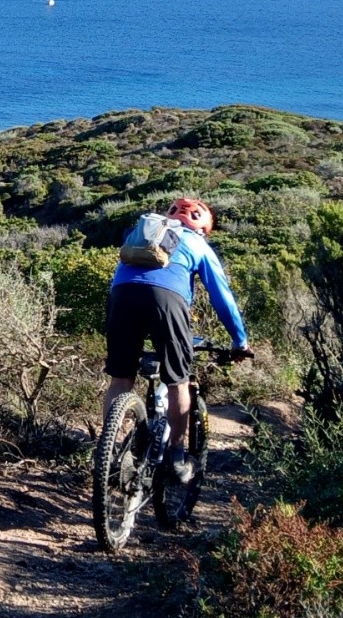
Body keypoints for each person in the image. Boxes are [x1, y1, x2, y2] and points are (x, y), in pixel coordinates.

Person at [102, 197, 249, 483]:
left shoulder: (145, 233)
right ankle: (178, 456)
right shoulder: (198, 244)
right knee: (178, 381)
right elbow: (222, 298)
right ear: (204, 228)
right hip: (167, 301)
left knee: (120, 380)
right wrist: (239, 341)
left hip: (121, 296)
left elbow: (122, 275)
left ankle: (110, 453)